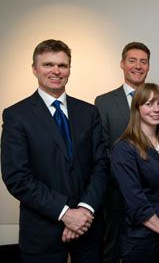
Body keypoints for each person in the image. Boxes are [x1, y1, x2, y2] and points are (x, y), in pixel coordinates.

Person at [1, 39, 109, 263]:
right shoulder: (16, 116)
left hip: (88, 230)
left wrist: (84, 210)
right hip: (43, 233)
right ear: (35, 69)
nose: (56, 71)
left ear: (69, 69)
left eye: (62, 65)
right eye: (48, 64)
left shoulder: (89, 113)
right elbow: (17, 177)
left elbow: (102, 164)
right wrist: (65, 213)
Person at [94, 42, 159, 263]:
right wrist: (129, 180)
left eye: (143, 62)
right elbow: (100, 151)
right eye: (132, 60)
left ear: (148, 66)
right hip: (117, 197)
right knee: (114, 251)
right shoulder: (104, 102)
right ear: (122, 64)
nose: (138, 66)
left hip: (157, 199)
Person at [110, 83, 159, 263]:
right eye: (149, 104)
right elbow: (136, 203)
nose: (156, 109)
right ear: (137, 108)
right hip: (140, 241)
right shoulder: (123, 148)